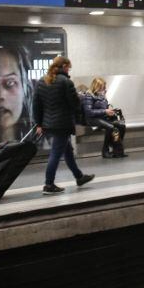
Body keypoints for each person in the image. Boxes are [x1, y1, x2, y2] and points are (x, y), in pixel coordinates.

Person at [33, 56, 94, 195]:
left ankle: (79, 177)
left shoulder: (41, 81)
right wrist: (80, 97)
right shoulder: (66, 82)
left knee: (67, 151)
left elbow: (36, 105)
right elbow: (75, 104)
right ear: (64, 66)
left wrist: (38, 123)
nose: (69, 70)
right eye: (69, 67)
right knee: (55, 154)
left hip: (48, 124)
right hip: (62, 124)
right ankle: (48, 184)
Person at [82, 76, 127, 158]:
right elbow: (89, 112)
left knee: (121, 126)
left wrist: (110, 112)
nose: (103, 89)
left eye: (103, 87)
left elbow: (104, 108)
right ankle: (105, 150)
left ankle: (117, 149)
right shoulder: (89, 96)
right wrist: (105, 111)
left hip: (102, 117)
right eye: (101, 87)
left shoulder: (102, 96)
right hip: (92, 119)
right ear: (96, 86)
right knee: (111, 127)